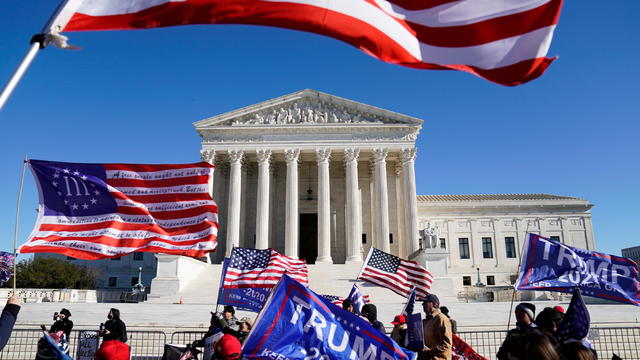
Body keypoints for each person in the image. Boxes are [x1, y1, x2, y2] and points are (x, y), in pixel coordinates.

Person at [419, 294, 452, 360]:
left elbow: (447, 344)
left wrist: (429, 351)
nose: (423, 305)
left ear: (434, 304)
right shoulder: (427, 320)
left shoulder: (441, 319)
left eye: (426, 302)